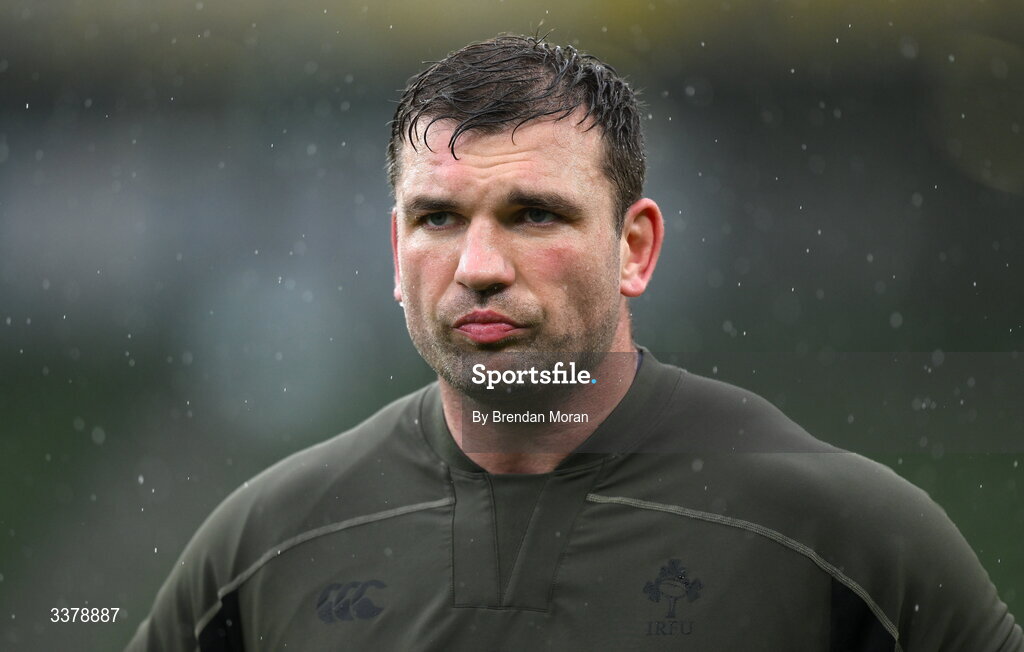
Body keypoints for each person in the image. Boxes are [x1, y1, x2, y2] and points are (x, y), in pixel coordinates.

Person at [126, 35, 1022, 651]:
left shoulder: (842, 532)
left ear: (634, 248)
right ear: (398, 254)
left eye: (533, 214)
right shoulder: (268, 539)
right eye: (438, 219)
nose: (478, 265)